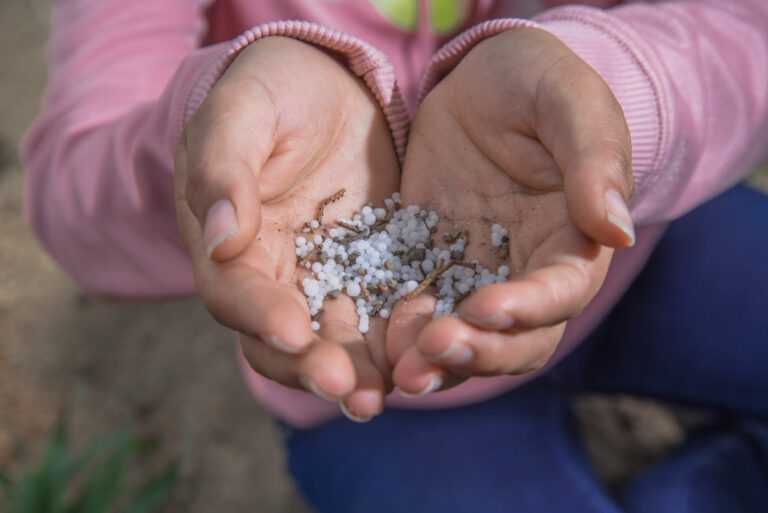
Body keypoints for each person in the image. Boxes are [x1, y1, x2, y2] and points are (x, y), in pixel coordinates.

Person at [21, 0, 768, 511]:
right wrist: (201, 140)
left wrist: (622, 94)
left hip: (632, 244)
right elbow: (67, 193)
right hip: (365, 385)